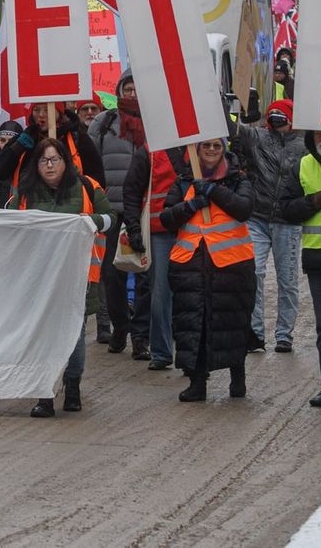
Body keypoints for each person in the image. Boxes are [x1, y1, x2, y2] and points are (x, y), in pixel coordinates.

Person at [8, 139, 112, 417]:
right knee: (42, 338)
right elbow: (6, 223)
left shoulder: (88, 187)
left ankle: (73, 385)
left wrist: (91, 222)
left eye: (55, 159)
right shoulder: (25, 194)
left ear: (66, 161)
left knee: (74, 338)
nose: (50, 165)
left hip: (77, 280)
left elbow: (111, 217)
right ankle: (45, 393)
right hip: (38, 281)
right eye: (44, 160)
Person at [159, 138, 256, 402]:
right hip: (191, 266)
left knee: (232, 324)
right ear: (197, 150)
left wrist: (213, 191)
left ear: (224, 149)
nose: (212, 151)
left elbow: (244, 208)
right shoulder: (183, 181)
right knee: (194, 325)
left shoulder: (238, 179)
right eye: (206, 146)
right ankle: (197, 382)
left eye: (216, 146)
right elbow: (166, 219)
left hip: (232, 266)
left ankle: (238, 376)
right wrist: (190, 205)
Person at [229, 99, 306, 353]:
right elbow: (233, 128)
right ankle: (255, 333)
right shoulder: (259, 137)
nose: (275, 122)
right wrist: (225, 103)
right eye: (272, 117)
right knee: (254, 274)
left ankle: (284, 335)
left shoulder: (305, 146)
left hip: (288, 221)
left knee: (287, 280)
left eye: (280, 117)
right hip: (257, 217)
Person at [89, 72, 146, 353]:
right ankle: (120, 325)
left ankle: (140, 337)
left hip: (143, 210)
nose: (133, 94)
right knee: (112, 275)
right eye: (128, 88)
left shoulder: (155, 122)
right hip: (111, 209)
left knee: (144, 271)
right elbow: (89, 162)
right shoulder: (104, 122)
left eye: (137, 89)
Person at [121, 143, 191, 369]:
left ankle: (192, 356)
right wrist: (133, 228)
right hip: (159, 233)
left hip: (193, 231)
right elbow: (131, 191)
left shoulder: (201, 146)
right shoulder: (149, 151)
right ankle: (161, 352)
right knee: (160, 294)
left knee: (192, 297)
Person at [280, 128, 321, 407]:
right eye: (320, 133)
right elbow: (287, 210)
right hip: (318, 260)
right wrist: (317, 199)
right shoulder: (304, 165)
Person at [0, 102, 105, 190]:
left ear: (58, 113)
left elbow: (97, 180)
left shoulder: (77, 138)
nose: (41, 115)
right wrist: (19, 146)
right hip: (30, 213)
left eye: (47, 109)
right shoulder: (24, 139)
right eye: (36, 110)